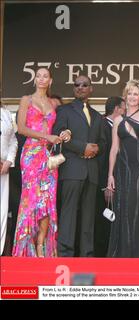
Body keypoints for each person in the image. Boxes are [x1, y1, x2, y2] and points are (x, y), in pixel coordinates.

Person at [13, 67, 69, 257]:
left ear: (50, 81)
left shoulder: (54, 103)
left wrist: (64, 133)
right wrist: (47, 136)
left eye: (46, 76)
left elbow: (60, 127)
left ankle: (41, 245)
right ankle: (25, 247)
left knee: (47, 200)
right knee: (31, 200)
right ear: (34, 79)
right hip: (30, 154)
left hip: (49, 157)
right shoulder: (26, 100)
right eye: (39, 76)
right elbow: (21, 129)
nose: (42, 79)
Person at [53, 75, 106, 257]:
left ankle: (87, 254)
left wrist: (96, 148)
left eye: (84, 85)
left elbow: (104, 142)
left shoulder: (98, 116)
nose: (80, 87)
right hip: (72, 170)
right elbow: (58, 136)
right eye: (77, 85)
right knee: (68, 214)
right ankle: (65, 253)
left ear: (91, 89)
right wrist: (83, 147)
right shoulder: (64, 110)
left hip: (91, 172)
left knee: (88, 216)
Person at [107, 80, 139, 257]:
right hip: (122, 169)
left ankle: (135, 252)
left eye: (136, 94)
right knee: (122, 207)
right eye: (130, 93)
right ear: (125, 96)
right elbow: (114, 148)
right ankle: (122, 251)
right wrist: (110, 175)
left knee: (135, 206)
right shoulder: (118, 119)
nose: (133, 97)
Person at [94, 96, 125, 257]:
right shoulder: (102, 125)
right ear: (116, 109)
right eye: (123, 108)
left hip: (117, 179)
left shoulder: (120, 125)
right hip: (104, 181)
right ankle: (103, 254)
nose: (125, 111)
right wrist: (106, 183)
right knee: (104, 219)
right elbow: (104, 156)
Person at [1, 105, 18, 255]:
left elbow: (13, 140)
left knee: (2, 211)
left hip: (4, 169)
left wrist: (8, 161)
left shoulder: (6, 113)